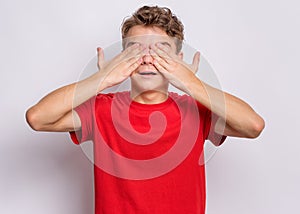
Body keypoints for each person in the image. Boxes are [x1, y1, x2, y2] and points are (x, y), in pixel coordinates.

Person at [26, 5, 265, 214]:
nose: (149, 59)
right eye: (137, 50)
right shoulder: (101, 108)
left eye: (160, 51)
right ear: (123, 57)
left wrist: (190, 82)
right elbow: (38, 118)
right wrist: (103, 78)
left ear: (178, 60)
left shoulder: (195, 109)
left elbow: (253, 126)